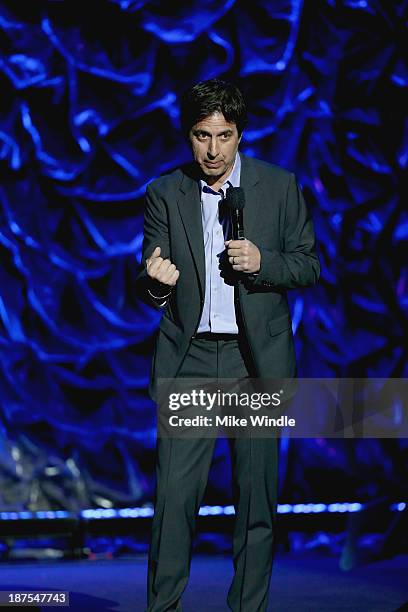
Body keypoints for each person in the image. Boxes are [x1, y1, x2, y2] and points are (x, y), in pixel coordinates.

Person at [137, 79, 320, 612]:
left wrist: (264, 264)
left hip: (253, 363)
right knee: (174, 500)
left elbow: (308, 263)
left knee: (255, 503)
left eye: (224, 135)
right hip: (190, 360)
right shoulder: (164, 191)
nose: (213, 150)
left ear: (241, 134)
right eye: (201, 135)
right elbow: (148, 281)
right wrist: (155, 281)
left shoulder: (279, 186)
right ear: (188, 135)